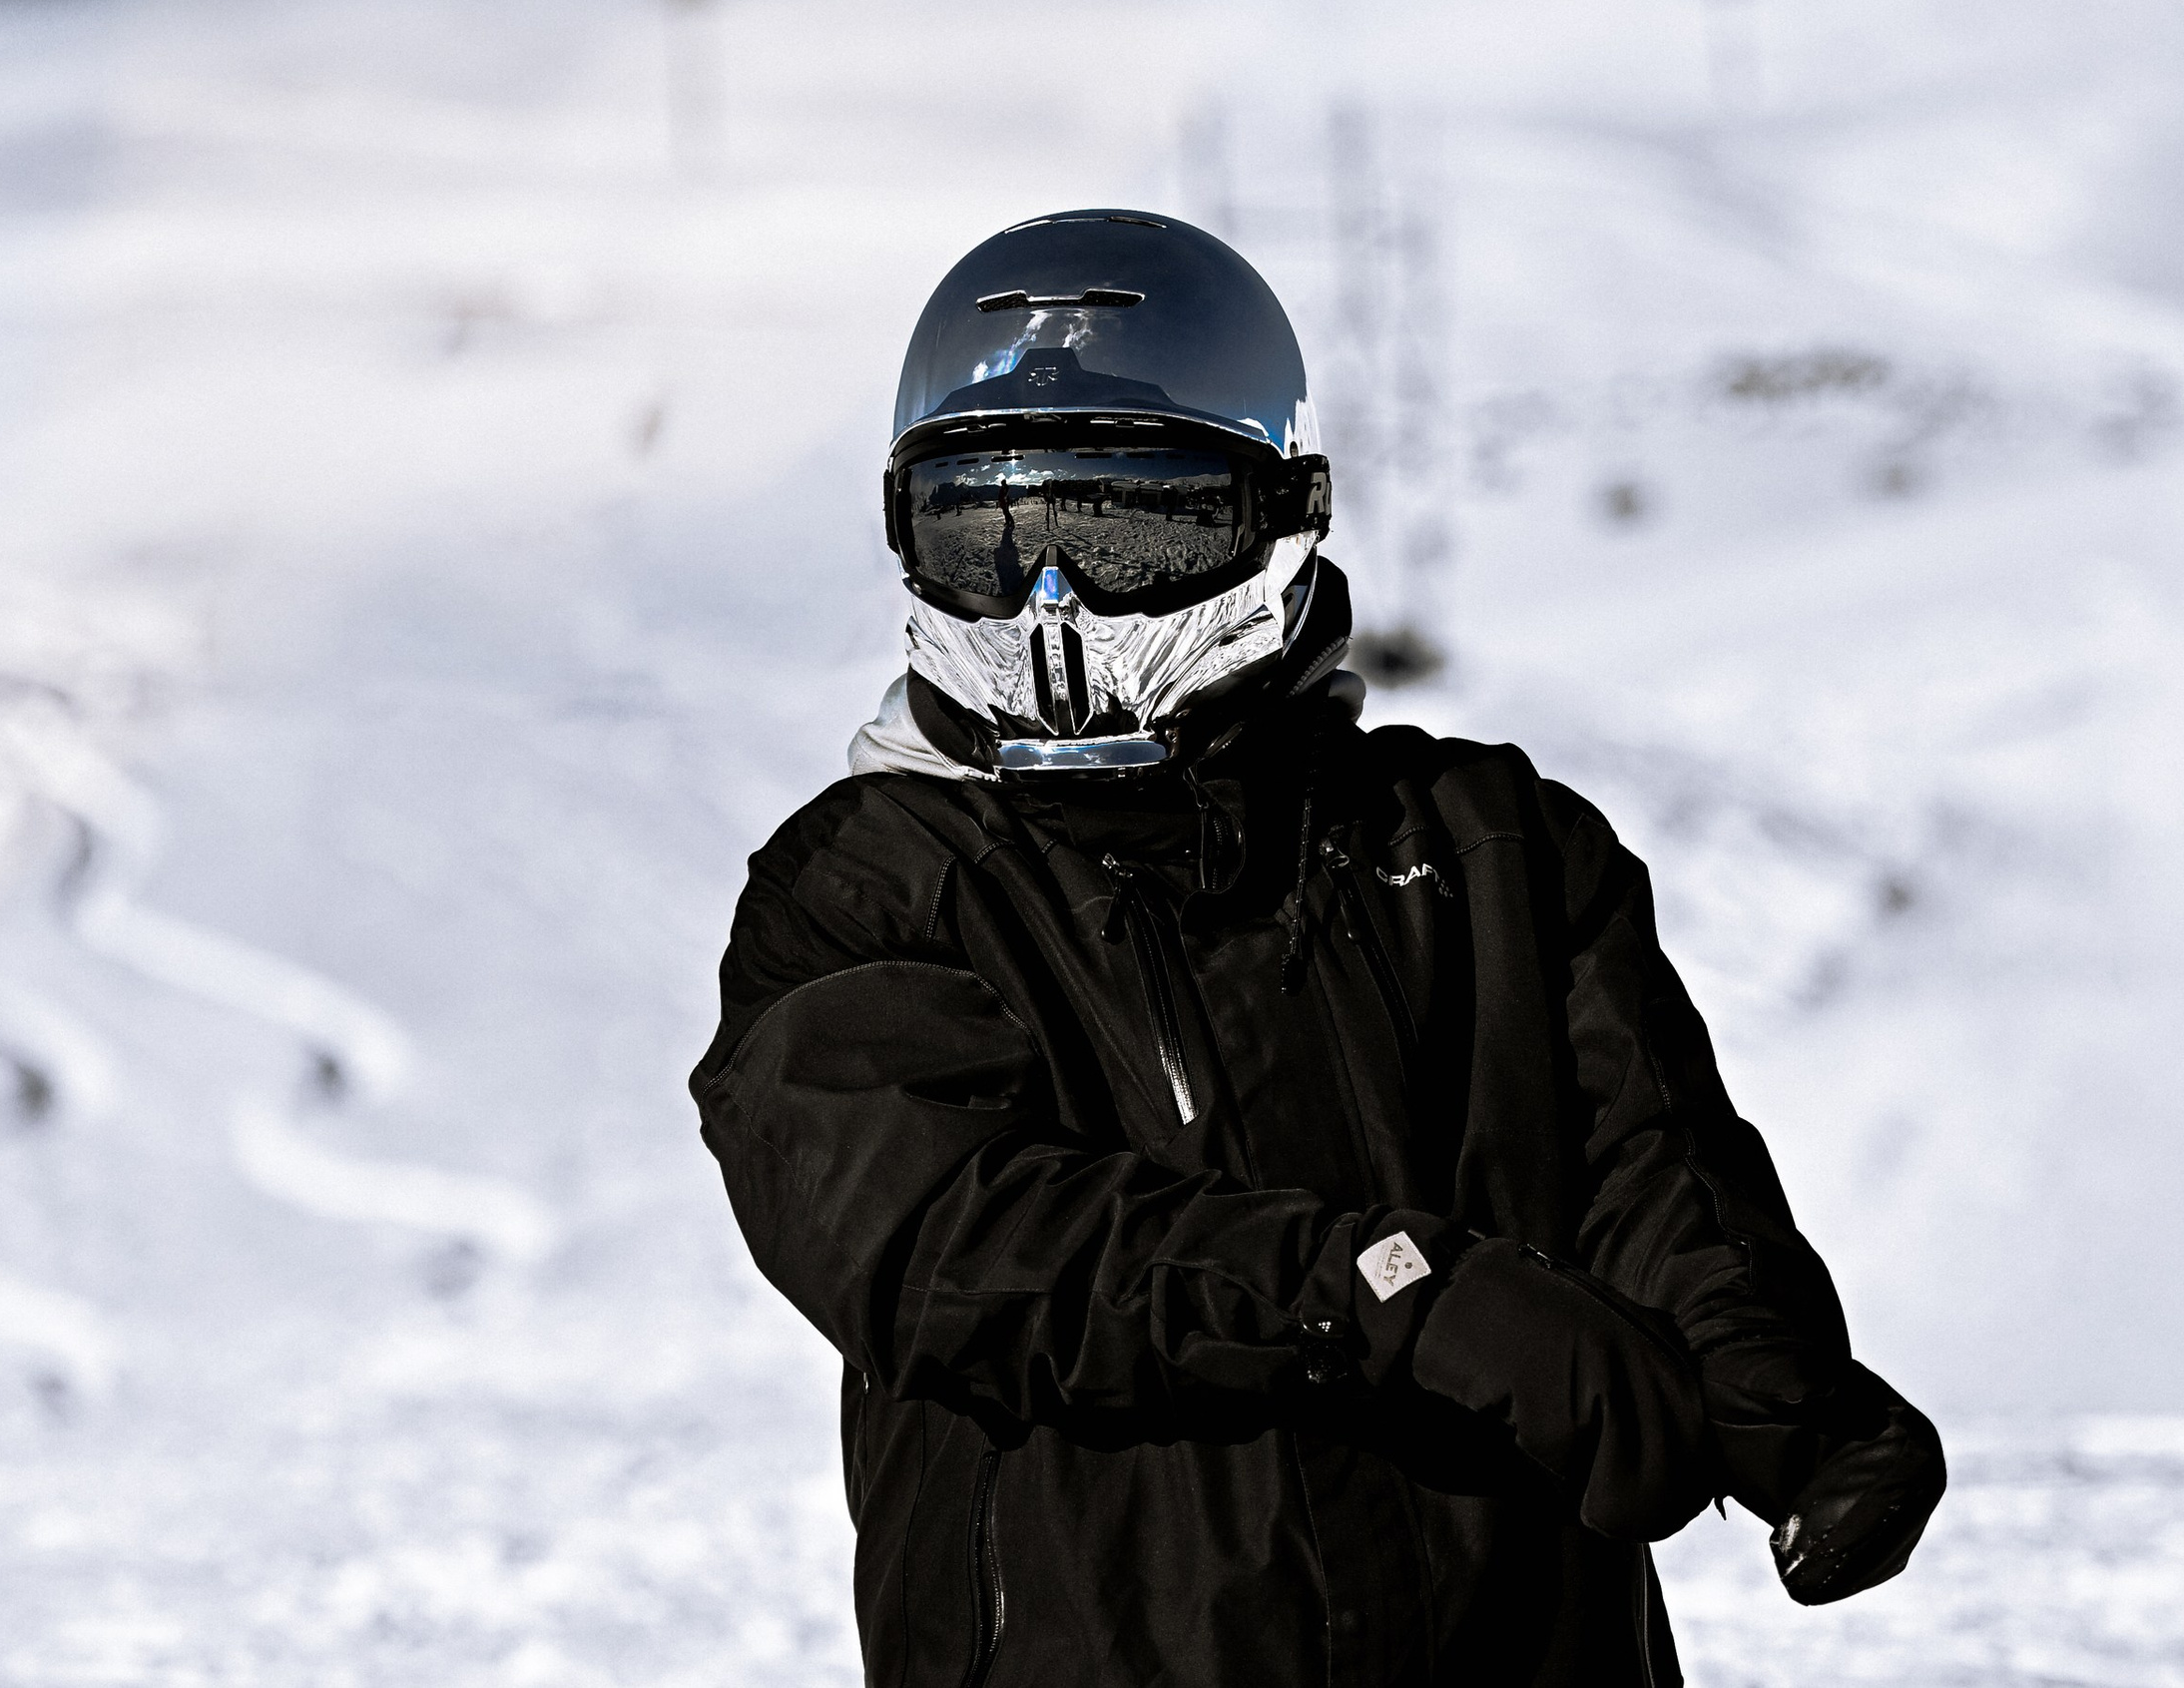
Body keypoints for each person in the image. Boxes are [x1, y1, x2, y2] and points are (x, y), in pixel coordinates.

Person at [689, 210, 1944, 1688]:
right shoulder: (866, 889)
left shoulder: (1487, 848)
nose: (1050, 607)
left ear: (1277, 518)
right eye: (989, 537)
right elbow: (947, 1248)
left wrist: (1773, 1386)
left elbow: (1651, 1167)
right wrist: (1395, 1295)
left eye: (1126, 536)